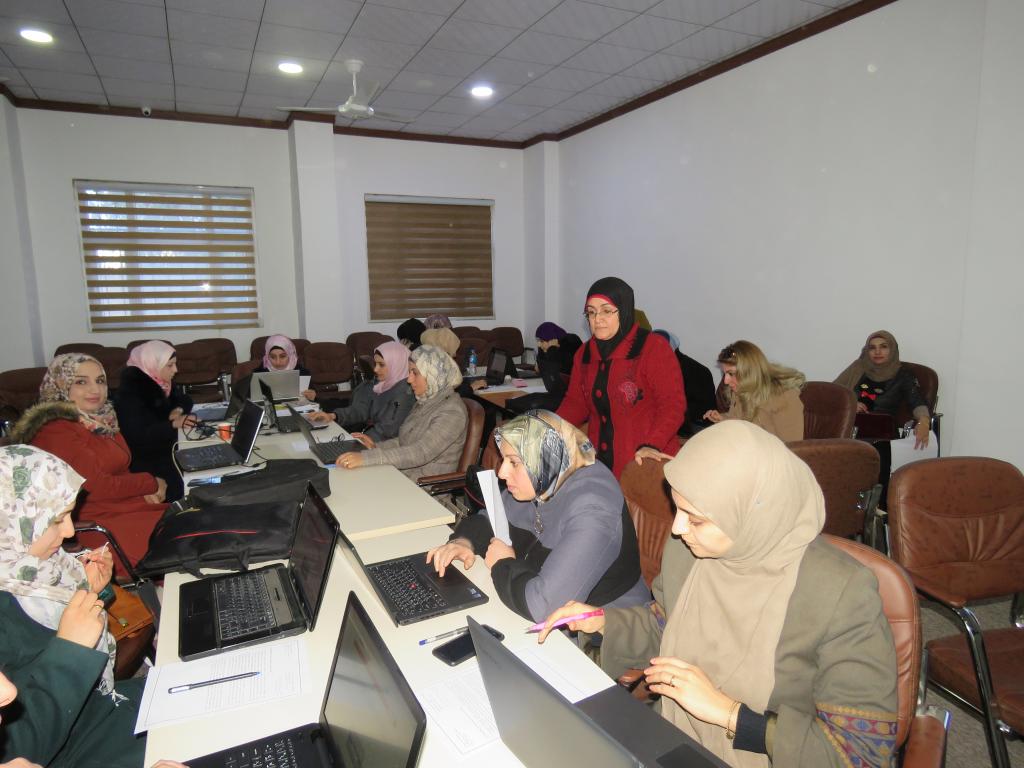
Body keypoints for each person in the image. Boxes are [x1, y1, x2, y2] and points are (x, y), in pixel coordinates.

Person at [538, 422, 898, 767]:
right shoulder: (691, 552)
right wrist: (603, 622)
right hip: (672, 739)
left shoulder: (841, 594)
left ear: (751, 515)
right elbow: (667, 626)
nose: (677, 529)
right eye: (678, 510)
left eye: (695, 518)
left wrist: (729, 714)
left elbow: (862, 754)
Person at [0, 445, 147, 768]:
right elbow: (18, 750)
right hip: (72, 749)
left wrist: (94, 591)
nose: (69, 532)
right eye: (56, 520)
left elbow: (57, 621)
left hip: (94, 709)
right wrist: (71, 650)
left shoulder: (31, 567)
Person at [427, 411, 649, 621]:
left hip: (599, 631)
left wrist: (503, 563)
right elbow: (491, 519)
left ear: (546, 458)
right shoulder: (547, 477)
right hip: (536, 598)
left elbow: (543, 607)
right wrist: (463, 542)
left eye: (514, 462)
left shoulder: (594, 511)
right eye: (504, 460)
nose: (502, 473)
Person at [10, 354, 167, 573]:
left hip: (123, 509)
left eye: (100, 381)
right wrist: (150, 483)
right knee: (185, 540)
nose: (95, 389)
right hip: (96, 525)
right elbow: (96, 488)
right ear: (60, 385)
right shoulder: (56, 430)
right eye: (81, 382)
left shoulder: (100, 421)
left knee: (196, 524)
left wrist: (144, 491)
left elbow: (119, 471)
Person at [556, 277, 685, 478]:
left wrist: (652, 444)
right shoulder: (584, 353)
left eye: (606, 311)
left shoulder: (653, 348)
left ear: (623, 311)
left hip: (645, 462)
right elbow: (575, 402)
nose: (597, 319)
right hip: (599, 463)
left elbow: (672, 406)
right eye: (591, 312)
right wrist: (550, 428)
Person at [334, 345, 468, 482]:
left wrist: (367, 458)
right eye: (409, 372)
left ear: (433, 375)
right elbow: (405, 440)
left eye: (415, 373)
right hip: (403, 476)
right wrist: (375, 446)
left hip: (423, 487)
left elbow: (420, 452)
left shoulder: (452, 412)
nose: (409, 380)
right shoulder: (426, 401)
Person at [834, 330, 932, 501]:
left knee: (876, 459)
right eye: (872, 348)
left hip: (882, 435)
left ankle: (877, 508)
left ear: (892, 349)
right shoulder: (858, 367)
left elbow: (917, 401)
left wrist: (924, 421)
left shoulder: (903, 375)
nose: (877, 352)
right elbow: (834, 393)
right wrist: (851, 403)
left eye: (883, 347)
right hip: (851, 429)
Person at [113, 341, 196, 502]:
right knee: (192, 483)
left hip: (164, 449)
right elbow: (138, 436)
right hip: (146, 462)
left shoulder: (160, 382)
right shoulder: (131, 394)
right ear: (153, 364)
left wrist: (178, 410)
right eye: (170, 365)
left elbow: (185, 399)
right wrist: (172, 425)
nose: (175, 370)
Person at [307, 341, 415, 442]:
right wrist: (333, 416)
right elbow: (361, 410)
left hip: (382, 447)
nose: (375, 369)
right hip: (369, 439)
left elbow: (386, 432)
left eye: (381, 365)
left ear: (396, 364)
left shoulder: (405, 394)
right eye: (376, 364)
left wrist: (355, 442)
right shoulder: (382, 384)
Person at [703, 341, 805, 442]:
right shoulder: (740, 390)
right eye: (724, 373)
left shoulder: (785, 396)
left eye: (731, 373)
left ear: (750, 372)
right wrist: (722, 419)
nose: (726, 381)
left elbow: (792, 446)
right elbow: (738, 421)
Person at [653, 329, 716, 437]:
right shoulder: (675, 364)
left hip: (694, 427)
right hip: (686, 423)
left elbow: (678, 408)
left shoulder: (687, 370)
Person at [254, 334, 315, 401]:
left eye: (282, 356)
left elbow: (312, 397)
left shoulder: (303, 373)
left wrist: (313, 396)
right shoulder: (258, 373)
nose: (278, 362)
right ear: (267, 357)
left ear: (290, 355)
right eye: (272, 357)